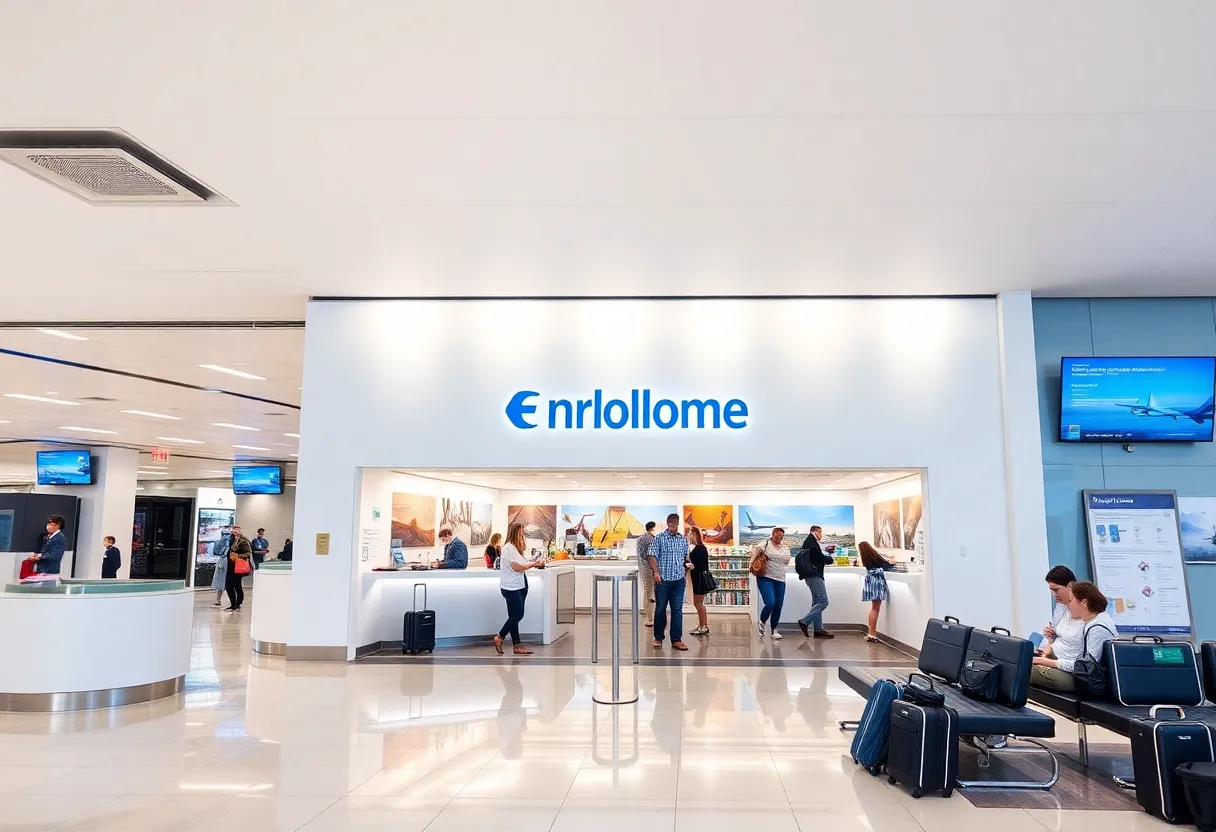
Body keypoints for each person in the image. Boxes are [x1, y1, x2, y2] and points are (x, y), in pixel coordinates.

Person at [1032, 581, 1117, 692]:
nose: (1068, 605)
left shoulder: (1097, 628)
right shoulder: (1093, 620)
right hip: (1078, 674)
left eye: (1071, 600)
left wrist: (1047, 662)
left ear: (1084, 602)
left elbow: (1086, 668)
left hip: (1083, 681)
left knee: (1027, 671)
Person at [494, 523, 546, 656]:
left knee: (514, 616)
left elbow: (521, 563)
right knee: (517, 615)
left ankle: (517, 644)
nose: (523, 536)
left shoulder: (515, 548)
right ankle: (500, 636)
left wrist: (533, 562)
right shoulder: (509, 548)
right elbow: (516, 567)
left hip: (518, 585)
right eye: (521, 533)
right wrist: (533, 564)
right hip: (511, 587)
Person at [648, 513, 691, 651]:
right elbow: (652, 556)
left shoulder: (682, 540)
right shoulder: (659, 539)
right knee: (660, 609)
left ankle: (676, 639)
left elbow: (685, 559)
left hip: (678, 581)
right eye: (671, 525)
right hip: (663, 580)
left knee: (677, 610)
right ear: (667, 523)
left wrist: (687, 567)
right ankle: (658, 637)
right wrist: (656, 572)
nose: (673, 528)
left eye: (676, 525)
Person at [796, 525, 837, 639]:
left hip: (810, 575)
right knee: (823, 601)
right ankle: (805, 621)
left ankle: (818, 630)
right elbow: (818, 557)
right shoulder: (811, 542)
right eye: (820, 532)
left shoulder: (809, 542)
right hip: (814, 575)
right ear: (815, 532)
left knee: (817, 602)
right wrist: (830, 558)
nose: (821, 535)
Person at [753, 527, 791, 640]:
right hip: (765, 577)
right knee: (770, 603)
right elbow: (754, 556)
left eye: (781, 536)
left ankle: (774, 629)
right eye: (777, 535)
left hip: (780, 578)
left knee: (778, 605)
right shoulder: (764, 545)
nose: (779, 537)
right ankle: (762, 621)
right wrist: (753, 567)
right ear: (772, 534)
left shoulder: (785, 548)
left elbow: (787, 560)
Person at [1040, 565, 1079, 659]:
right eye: (1051, 590)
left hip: (1066, 661)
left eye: (1056, 590)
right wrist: (1051, 636)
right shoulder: (1060, 607)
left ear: (1070, 586)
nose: (1054, 595)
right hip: (1054, 655)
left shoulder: (1083, 609)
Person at [859, 541, 895, 642]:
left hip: (871, 583)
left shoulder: (866, 558)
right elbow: (888, 565)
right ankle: (871, 634)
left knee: (873, 608)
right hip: (877, 583)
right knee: (875, 609)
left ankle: (871, 632)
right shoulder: (874, 557)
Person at [688, 526, 714, 636]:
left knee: (698, 603)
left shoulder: (700, 548)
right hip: (697, 577)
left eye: (689, 533)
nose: (688, 536)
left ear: (694, 534)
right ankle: (702, 625)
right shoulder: (699, 547)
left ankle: (704, 626)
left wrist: (691, 566)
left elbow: (701, 565)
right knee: (698, 603)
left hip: (699, 578)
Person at [225, 525, 253, 611]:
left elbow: (248, 554)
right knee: (231, 585)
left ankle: (237, 603)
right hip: (231, 566)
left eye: (236, 532)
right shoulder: (234, 540)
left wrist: (237, 555)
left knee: (235, 585)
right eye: (233, 531)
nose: (234, 533)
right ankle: (234, 603)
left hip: (238, 567)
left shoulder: (243, 541)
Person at [636, 521, 657, 627]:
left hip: (644, 569)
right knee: (651, 593)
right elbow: (651, 557)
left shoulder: (641, 538)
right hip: (650, 569)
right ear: (653, 528)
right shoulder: (651, 539)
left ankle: (649, 616)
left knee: (647, 592)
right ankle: (651, 618)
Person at [211, 530, 229, 605]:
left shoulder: (223, 542)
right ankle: (219, 599)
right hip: (224, 561)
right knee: (221, 581)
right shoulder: (221, 543)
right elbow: (216, 552)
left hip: (226, 562)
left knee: (224, 581)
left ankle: (220, 600)